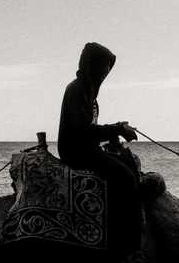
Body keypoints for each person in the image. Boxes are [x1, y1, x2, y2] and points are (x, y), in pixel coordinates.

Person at [57, 42, 141, 259]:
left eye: (107, 69)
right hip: (76, 151)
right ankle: (122, 244)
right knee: (125, 178)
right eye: (102, 68)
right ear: (92, 66)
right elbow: (81, 130)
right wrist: (118, 129)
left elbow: (90, 130)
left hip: (85, 147)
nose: (105, 73)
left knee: (128, 162)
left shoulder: (87, 91)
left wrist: (114, 131)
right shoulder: (76, 90)